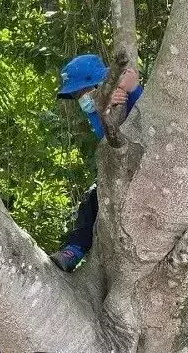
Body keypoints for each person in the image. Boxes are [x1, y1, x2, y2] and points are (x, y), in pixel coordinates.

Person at [50, 54, 142, 272]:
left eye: (85, 91)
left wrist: (133, 89)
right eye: (77, 94)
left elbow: (148, 119)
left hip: (143, 170)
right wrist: (106, 110)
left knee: (95, 198)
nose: (82, 97)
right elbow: (107, 139)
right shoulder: (96, 111)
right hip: (117, 173)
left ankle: (76, 248)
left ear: (101, 84)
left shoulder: (125, 96)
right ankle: (75, 249)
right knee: (92, 201)